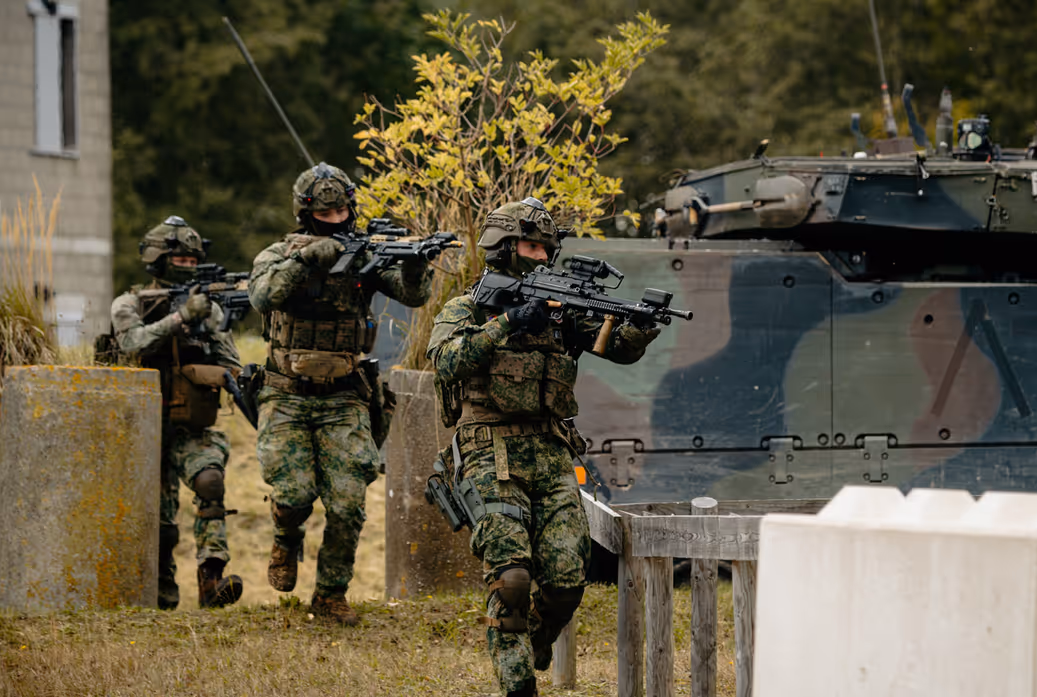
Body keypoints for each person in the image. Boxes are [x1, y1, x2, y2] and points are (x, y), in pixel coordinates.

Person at [427, 197, 662, 697]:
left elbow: (613, 347)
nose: (540, 256)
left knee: (567, 579)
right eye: (531, 247)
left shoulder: (560, 313)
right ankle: (518, 684)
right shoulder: (467, 307)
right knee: (511, 578)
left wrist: (639, 327)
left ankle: (531, 640)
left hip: (551, 450)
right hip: (488, 450)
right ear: (504, 246)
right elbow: (446, 361)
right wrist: (508, 323)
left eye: (545, 249)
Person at [248, 162, 433, 626]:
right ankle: (286, 538)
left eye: (342, 211)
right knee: (294, 492)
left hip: (345, 396)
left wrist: (415, 266)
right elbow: (263, 296)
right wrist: (307, 259)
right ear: (306, 213)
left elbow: (412, 296)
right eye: (325, 213)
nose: (336, 219)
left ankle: (330, 595)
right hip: (285, 394)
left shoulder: (365, 254)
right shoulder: (278, 254)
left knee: (348, 502)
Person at [109, 215, 244, 610]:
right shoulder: (129, 303)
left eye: (192, 260)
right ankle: (160, 596)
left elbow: (231, 362)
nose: (187, 266)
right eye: (179, 259)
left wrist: (210, 332)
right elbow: (132, 343)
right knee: (158, 519)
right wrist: (181, 317)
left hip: (191, 423)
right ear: (157, 259)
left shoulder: (208, 309)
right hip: (141, 427)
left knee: (210, 482)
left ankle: (211, 580)